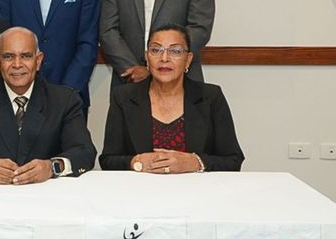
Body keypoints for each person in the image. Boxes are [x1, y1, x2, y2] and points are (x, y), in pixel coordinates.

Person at [0, 27, 97, 185]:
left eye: (26, 56)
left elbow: (84, 151)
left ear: (38, 61)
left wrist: (52, 167)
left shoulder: (65, 100)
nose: (17, 64)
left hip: (49, 196)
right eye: (9, 57)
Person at [99, 24, 243, 173]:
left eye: (175, 51)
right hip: (142, 191)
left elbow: (233, 160)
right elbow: (108, 160)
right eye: (156, 50)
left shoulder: (211, 97)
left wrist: (196, 162)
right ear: (147, 57)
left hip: (197, 192)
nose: (164, 58)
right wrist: (137, 162)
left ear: (188, 59)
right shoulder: (124, 97)